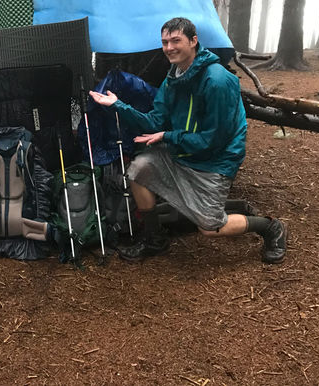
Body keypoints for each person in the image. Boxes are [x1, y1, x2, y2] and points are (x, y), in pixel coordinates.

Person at [89, 17, 287, 263]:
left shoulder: (217, 81)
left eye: (176, 41)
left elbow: (213, 140)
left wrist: (168, 136)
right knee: (138, 169)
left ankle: (271, 227)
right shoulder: (174, 77)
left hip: (214, 160)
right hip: (183, 150)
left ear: (193, 41)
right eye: (165, 42)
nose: (169, 47)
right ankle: (154, 238)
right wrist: (118, 105)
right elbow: (154, 122)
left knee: (210, 227)